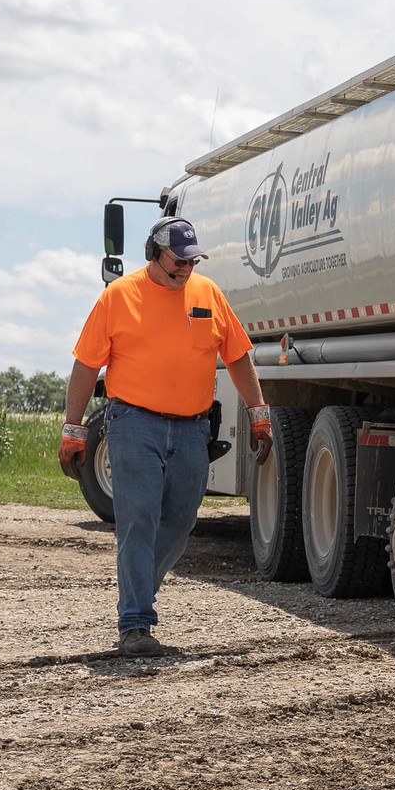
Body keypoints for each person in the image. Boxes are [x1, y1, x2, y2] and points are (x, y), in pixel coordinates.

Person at [58, 217, 273, 657]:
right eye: (178, 260)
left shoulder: (208, 294)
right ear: (154, 254)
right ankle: (135, 622)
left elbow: (237, 356)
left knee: (179, 521)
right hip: (133, 422)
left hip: (192, 428)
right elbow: (85, 366)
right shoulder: (119, 296)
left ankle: (136, 591)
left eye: (193, 261)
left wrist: (259, 415)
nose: (186, 269)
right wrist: (73, 430)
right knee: (138, 518)